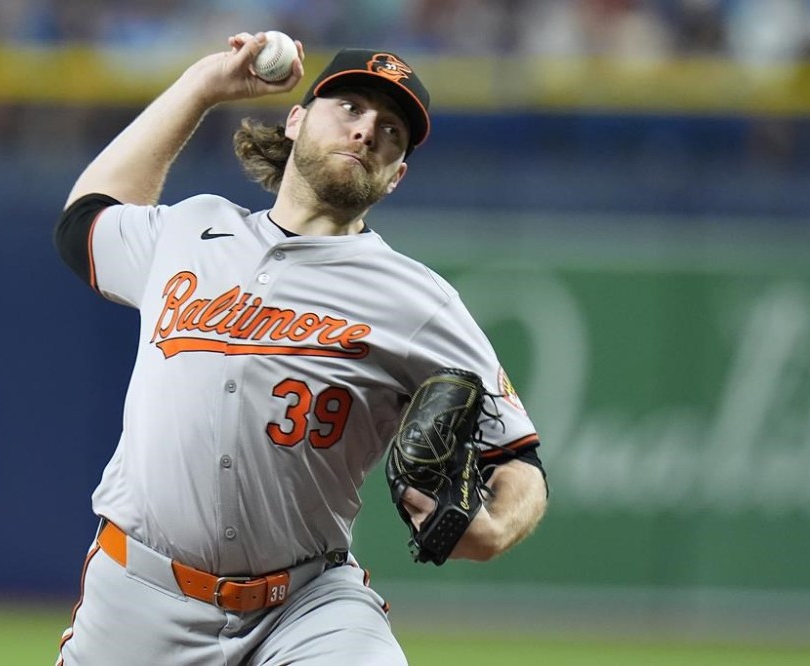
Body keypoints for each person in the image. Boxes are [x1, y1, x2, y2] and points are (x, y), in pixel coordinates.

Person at [53, 32, 548, 665]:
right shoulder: (190, 229)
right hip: (139, 595)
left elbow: (520, 458)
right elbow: (83, 223)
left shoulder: (419, 301)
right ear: (295, 119)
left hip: (305, 605)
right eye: (350, 108)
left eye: (392, 130)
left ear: (397, 175)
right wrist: (203, 86)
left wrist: (495, 526)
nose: (368, 130)